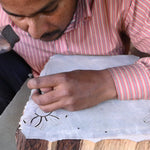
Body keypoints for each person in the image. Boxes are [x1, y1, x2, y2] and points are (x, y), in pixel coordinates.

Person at [0, 0, 149, 114]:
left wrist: (107, 82)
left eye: (49, 10)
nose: (35, 33)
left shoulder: (127, 3)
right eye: (17, 16)